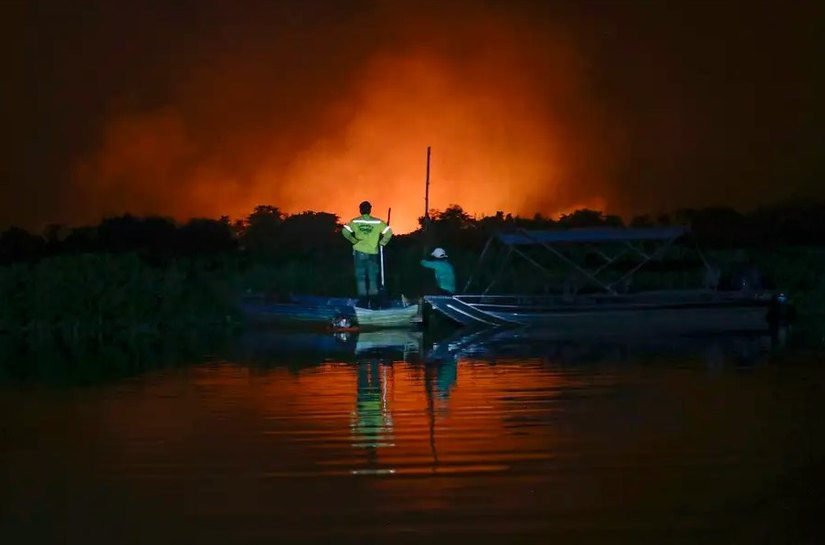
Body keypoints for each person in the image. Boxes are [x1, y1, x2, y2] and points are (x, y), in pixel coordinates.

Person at [342, 201, 392, 299]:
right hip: (373, 252)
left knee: (361, 276)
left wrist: (354, 241)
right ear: (370, 210)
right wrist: (382, 242)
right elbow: (388, 232)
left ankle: (363, 300)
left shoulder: (355, 221)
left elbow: (344, 231)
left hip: (359, 252)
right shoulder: (377, 222)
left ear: (360, 210)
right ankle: (373, 299)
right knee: (372, 276)